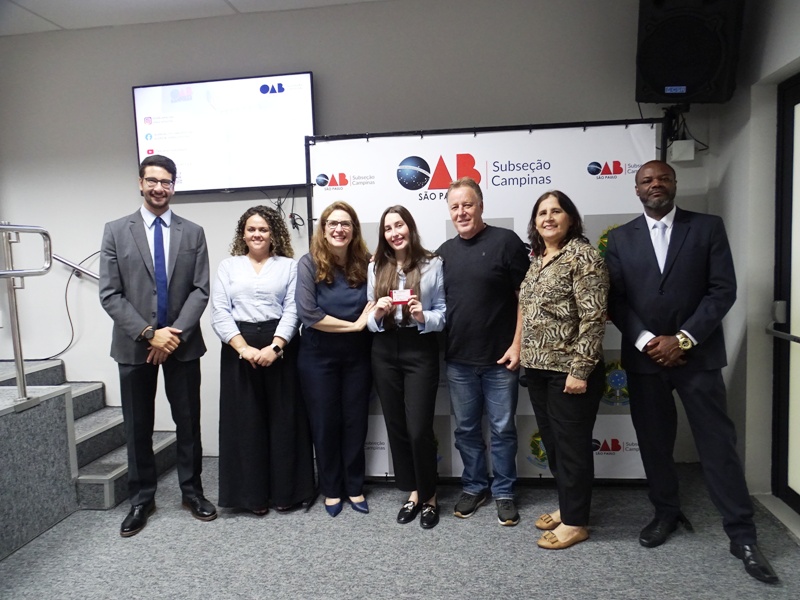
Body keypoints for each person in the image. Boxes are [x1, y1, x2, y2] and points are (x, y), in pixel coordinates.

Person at [605, 160, 779, 584]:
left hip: (698, 359)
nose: (655, 184)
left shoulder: (707, 228)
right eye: (647, 180)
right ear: (636, 189)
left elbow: (723, 290)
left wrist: (682, 340)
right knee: (654, 443)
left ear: (675, 183)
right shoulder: (620, 238)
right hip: (645, 360)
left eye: (663, 178)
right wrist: (648, 341)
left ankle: (742, 535)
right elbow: (616, 300)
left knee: (717, 445)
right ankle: (666, 512)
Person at [99, 154, 216, 537]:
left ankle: (192, 492)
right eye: (152, 180)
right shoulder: (116, 231)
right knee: (138, 426)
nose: (159, 188)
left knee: (188, 422)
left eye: (166, 182)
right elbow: (110, 294)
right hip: (135, 346)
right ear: (140, 183)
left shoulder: (192, 232)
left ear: (174, 186)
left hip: (182, 344)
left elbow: (200, 290)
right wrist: (150, 334)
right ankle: (141, 499)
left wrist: (173, 334)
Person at [436, 177, 530, 526]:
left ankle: (504, 491)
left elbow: (526, 299)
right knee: (466, 431)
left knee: (503, 430)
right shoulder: (443, 253)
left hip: (501, 360)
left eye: (467, 204)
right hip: (459, 360)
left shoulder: (506, 242)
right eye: (455, 206)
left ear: (481, 206)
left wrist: (518, 344)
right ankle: (475, 486)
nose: (461, 212)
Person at [211, 206, 315, 515]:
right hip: (238, 349)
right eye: (252, 229)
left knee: (285, 422)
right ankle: (252, 496)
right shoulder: (228, 266)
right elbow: (219, 311)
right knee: (245, 423)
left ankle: (286, 493)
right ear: (243, 234)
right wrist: (243, 348)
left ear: (274, 234)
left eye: (264, 229)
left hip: (280, 348)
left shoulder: (289, 266)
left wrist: (276, 347)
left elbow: (293, 309)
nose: (257, 234)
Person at [519, 191, 608, 549]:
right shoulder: (538, 259)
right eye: (542, 213)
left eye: (556, 211)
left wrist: (580, 370)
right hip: (538, 370)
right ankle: (569, 506)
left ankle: (575, 523)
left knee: (571, 448)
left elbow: (594, 317)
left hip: (569, 371)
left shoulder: (583, 256)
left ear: (570, 218)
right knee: (555, 446)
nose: (548, 218)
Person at [367, 205, 446, 529]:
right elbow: (368, 318)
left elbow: (443, 312)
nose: (394, 233)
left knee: (418, 429)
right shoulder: (376, 266)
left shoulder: (432, 264)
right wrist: (377, 314)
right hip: (384, 348)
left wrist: (423, 316)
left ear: (410, 228)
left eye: (399, 225)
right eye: (388, 228)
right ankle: (414, 492)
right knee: (397, 426)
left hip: (419, 347)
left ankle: (430, 496)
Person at [295, 201, 375, 517]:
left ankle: (354, 486)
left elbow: (378, 298)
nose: (339, 229)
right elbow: (309, 314)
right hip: (318, 357)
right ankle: (331, 489)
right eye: (333, 223)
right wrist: (353, 325)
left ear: (353, 229)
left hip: (358, 356)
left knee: (355, 422)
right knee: (325, 423)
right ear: (324, 228)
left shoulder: (366, 263)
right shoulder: (308, 264)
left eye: (345, 224)